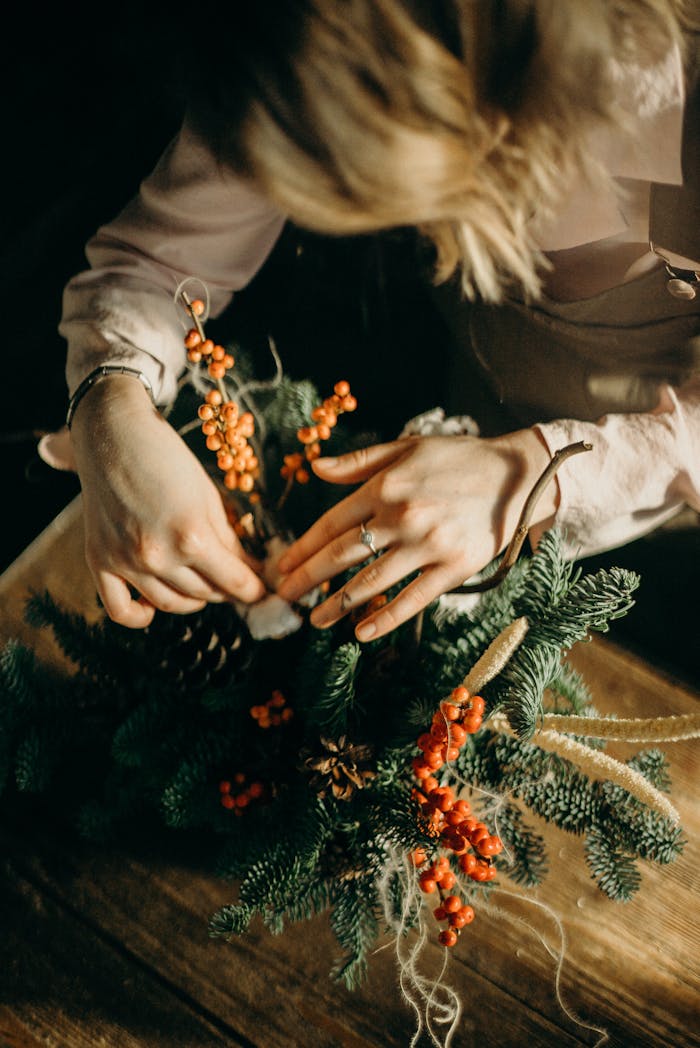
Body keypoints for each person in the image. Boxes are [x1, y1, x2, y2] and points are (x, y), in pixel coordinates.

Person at [50, 0, 699, 644]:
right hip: (464, 421)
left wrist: (537, 474)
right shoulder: (307, 41)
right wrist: (111, 405)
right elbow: (154, 264)